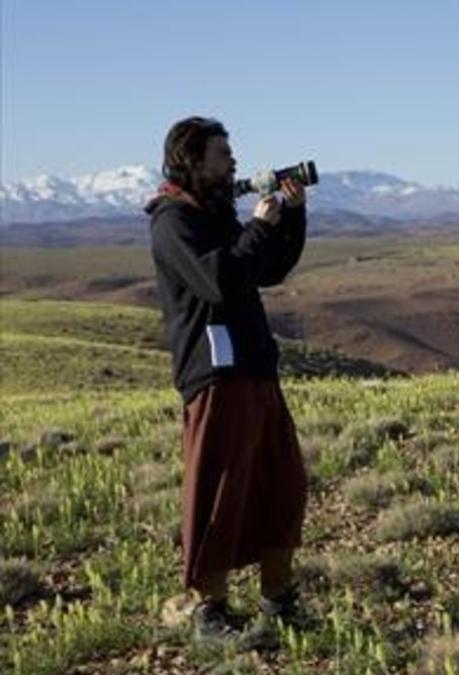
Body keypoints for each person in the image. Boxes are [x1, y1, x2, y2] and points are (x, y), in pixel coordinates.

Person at [146, 116, 309, 648]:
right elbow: (218, 282)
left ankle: (278, 598)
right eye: (222, 153)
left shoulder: (212, 216)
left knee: (280, 480)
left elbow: (265, 271)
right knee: (218, 491)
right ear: (191, 160)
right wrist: (260, 226)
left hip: (254, 367)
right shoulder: (173, 221)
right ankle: (208, 611)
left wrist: (291, 217)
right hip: (215, 374)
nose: (234, 161)